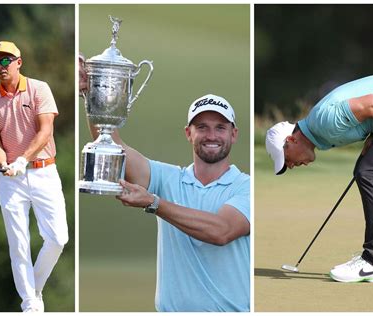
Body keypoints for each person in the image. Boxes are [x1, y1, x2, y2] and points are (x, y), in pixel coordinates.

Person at [80, 61, 250, 311]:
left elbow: (221, 231)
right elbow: (110, 143)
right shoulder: (168, 178)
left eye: (220, 128)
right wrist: (91, 93)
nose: (211, 135)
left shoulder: (245, 187)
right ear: (188, 133)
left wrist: (154, 203)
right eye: (201, 127)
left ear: (233, 134)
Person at [265, 73, 373, 283]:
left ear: (291, 140)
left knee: (369, 174)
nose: (290, 166)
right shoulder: (320, 135)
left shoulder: (323, 124)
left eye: (286, 160)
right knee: (364, 171)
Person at [0, 41, 69, 312]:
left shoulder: (39, 89)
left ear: (19, 61)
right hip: (11, 180)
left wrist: (22, 159)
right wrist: (4, 161)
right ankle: (30, 304)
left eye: (6, 61)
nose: (1, 67)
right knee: (18, 243)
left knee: (58, 239)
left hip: (44, 171)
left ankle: (35, 288)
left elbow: (45, 133)